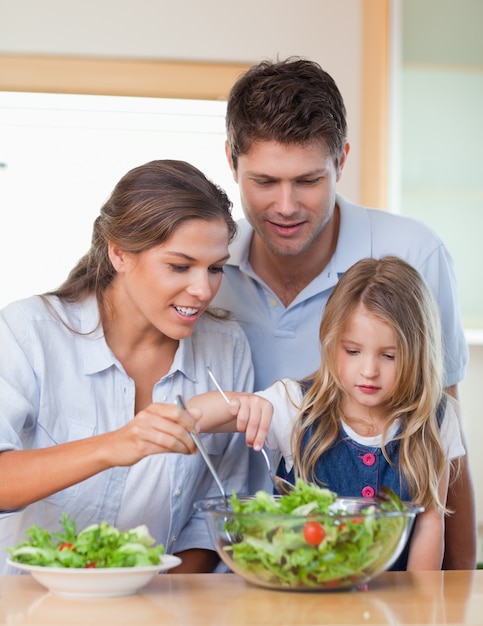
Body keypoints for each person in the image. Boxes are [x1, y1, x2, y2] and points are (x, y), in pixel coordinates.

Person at [212, 57, 476, 569]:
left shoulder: (413, 252)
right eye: (264, 181)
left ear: (341, 161)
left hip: (383, 573)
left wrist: (459, 593)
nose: (286, 206)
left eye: (308, 180)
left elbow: (443, 437)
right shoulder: (208, 270)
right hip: (233, 564)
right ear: (231, 162)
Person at [0, 159, 256, 575]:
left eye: (215, 269)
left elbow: (214, 517)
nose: (203, 289)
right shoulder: (28, 331)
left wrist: (156, 605)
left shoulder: (227, 350)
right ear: (119, 253)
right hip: (30, 605)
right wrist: (113, 446)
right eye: (179, 266)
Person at [192, 256, 465, 570]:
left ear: (418, 352)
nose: (369, 371)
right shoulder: (295, 403)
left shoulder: (436, 418)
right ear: (331, 342)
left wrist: (419, 607)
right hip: (303, 599)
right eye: (352, 351)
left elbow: (431, 523)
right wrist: (242, 403)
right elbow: (193, 416)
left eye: (389, 356)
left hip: (390, 604)